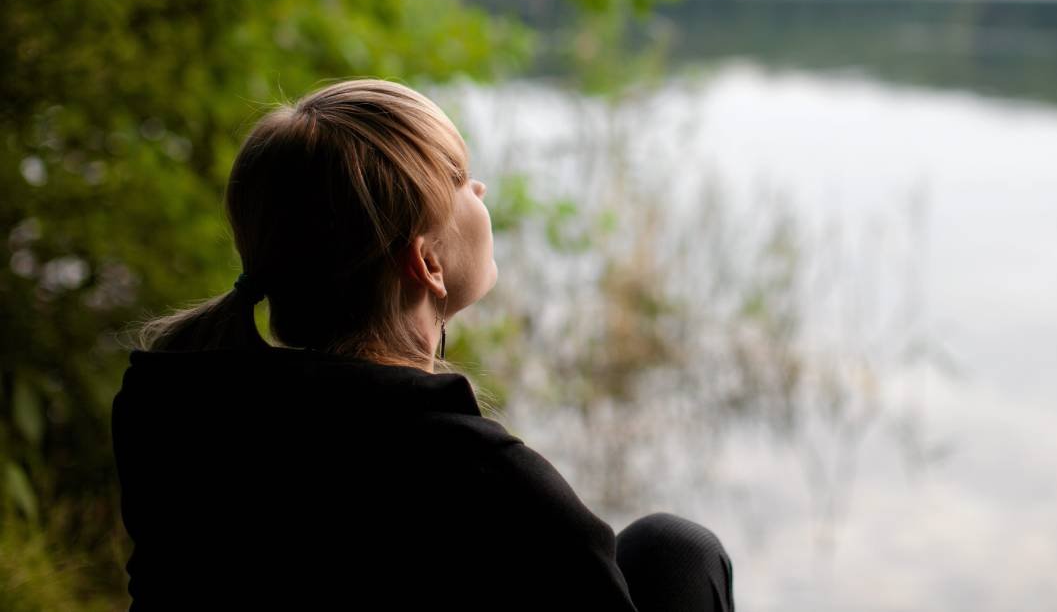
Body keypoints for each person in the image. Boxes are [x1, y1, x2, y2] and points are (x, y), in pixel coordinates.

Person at [110, 78, 736, 611]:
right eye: (461, 179)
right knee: (681, 549)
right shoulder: (489, 477)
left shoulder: (172, 403)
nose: (481, 190)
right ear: (427, 265)